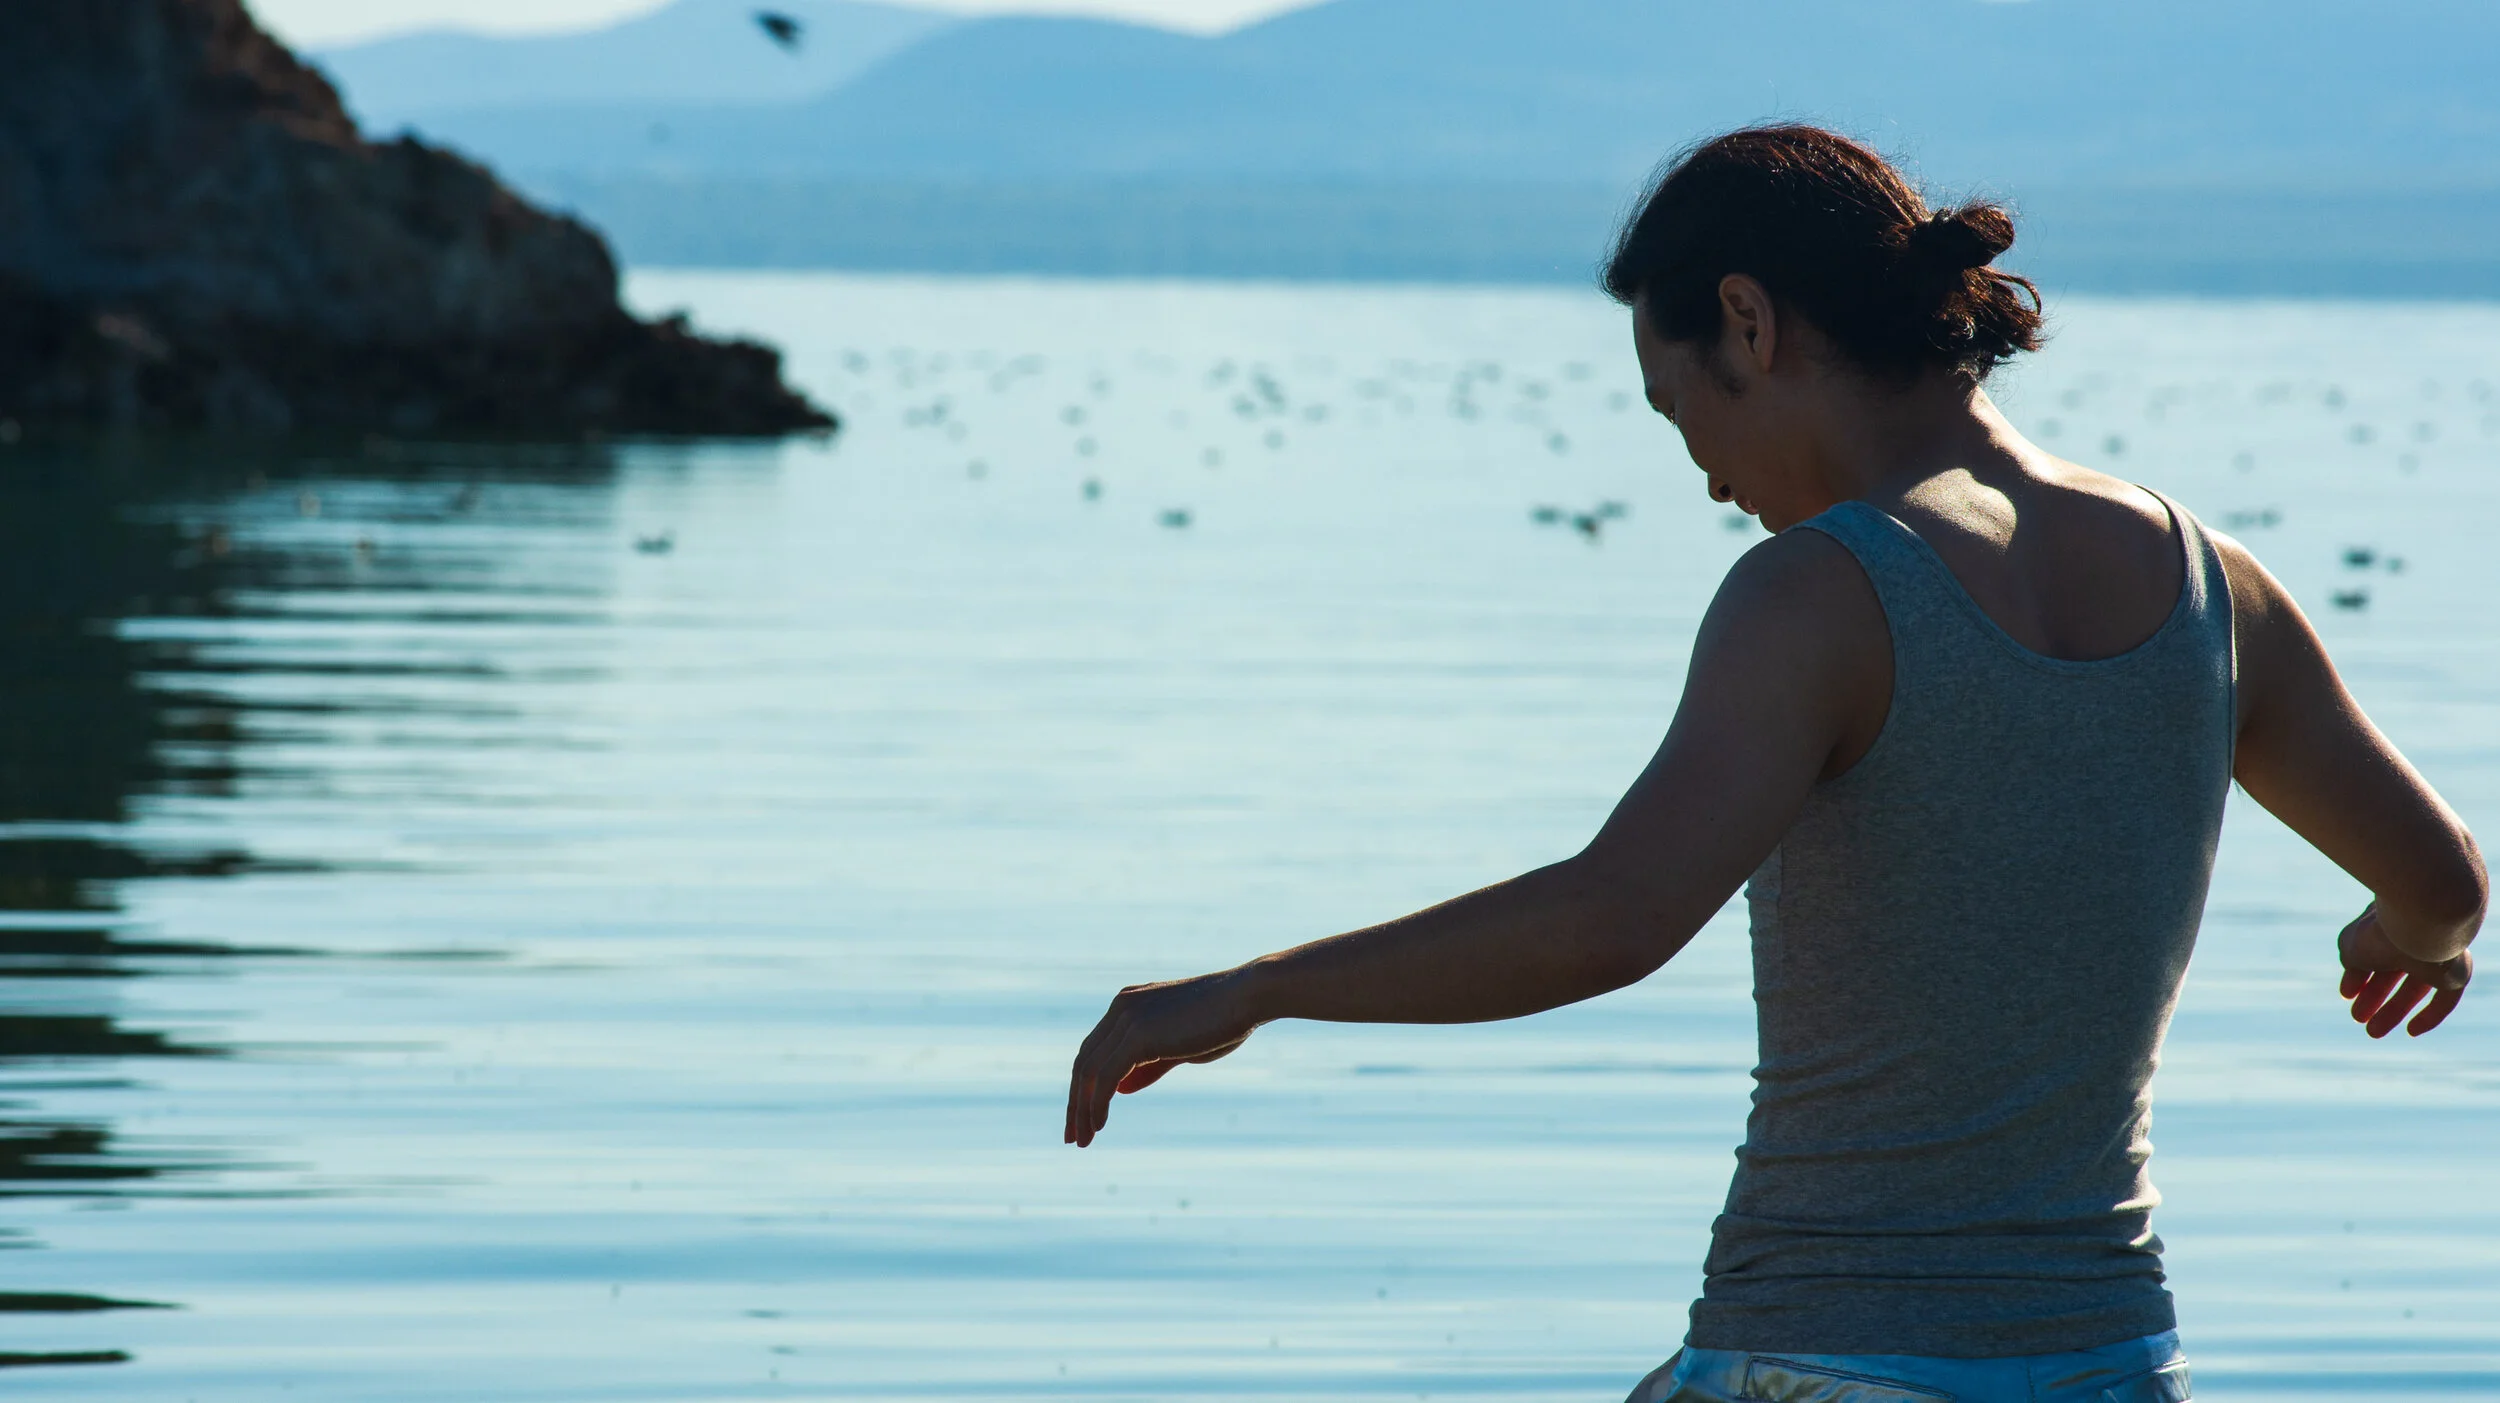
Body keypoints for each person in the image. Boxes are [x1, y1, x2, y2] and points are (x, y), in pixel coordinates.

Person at [1061, 125, 2484, 1403]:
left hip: (1824, 1351)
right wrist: (2403, 932)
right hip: (2115, 1360)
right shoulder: (2207, 580)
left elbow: (1614, 916)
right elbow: (2446, 879)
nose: (1705, 475)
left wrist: (1260, 988)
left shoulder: (1825, 591)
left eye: (1681, 410)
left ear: (1748, 322)